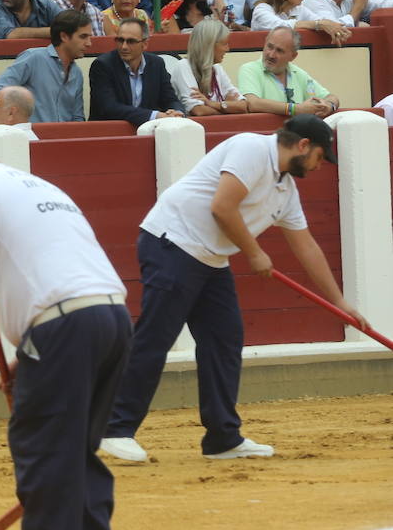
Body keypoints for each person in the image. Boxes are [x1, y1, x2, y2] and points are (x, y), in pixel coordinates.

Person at [103, 114, 365, 464]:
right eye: (320, 156)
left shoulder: (285, 190)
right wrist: (255, 253)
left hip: (211, 259)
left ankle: (222, 438)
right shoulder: (251, 148)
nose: (319, 166)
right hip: (172, 243)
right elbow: (222, 207)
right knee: (156, 336)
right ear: (303, 145)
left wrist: (340, 303)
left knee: (224, 341)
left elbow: (308, 248)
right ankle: (115, 429)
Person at [0, 136, 131, 530]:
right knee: (76, 452)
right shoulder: (40, 185)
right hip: (112, 319)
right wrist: (26, 362)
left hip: (64, 327)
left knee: (45, 453)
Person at [0, 10, 92, 123]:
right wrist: (21, 123)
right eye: (83, 37)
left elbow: (78, 118)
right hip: (30, 137)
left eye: (89, 37)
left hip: (63, 138)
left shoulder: (76, 73)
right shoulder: (34, 57)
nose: (89, 43)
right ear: (64, 36)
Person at [87, 18, 184, 125]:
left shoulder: (156, 64)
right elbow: (109, 108)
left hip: (147, 132)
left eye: (131, 41)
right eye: (120, 40)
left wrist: (176, 112)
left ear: (145, 44)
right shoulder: (103, 65)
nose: (124, 46)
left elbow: (170, 99)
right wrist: (155, 115)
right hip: (108, 133)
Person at [236, 24, 341, 116]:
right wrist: (295, 109)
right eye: (270, 47)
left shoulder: (298, 74)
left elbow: (331, 97)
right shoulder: (249, 69)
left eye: (279, 51)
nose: (271, 54)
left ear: (293, 56)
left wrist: (329, 105)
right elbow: (252, 103)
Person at [174, 19, 249, 117]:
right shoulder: (183, 66)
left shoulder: (217, 68)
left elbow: (243, 106)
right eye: (224, 44)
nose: (228, 49)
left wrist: (211, 104)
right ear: (209, 45)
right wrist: (228, 108)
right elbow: (198, 111)